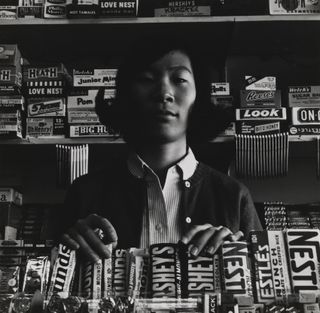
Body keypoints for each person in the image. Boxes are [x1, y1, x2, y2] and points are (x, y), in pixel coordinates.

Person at [61, 35, 262, 263]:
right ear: (128, 96)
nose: (164, 93)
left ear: (199, 96)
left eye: (179, 79)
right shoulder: (85, 193)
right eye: (147, 79)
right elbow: (47, 291)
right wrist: (68, 250)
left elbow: (267, 291)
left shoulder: (234, 197)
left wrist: (240, 260)